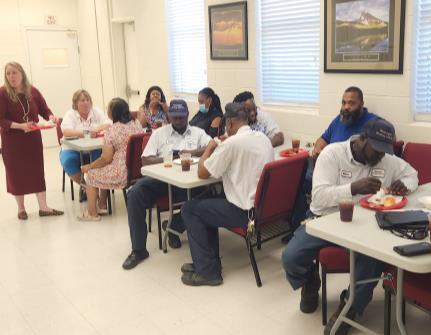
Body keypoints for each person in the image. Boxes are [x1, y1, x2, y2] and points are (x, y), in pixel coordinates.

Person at [281, 118, 418, 335]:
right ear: (362, 139)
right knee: (291, 257)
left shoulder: (386, 159)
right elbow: (318, 196)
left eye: (385, 150)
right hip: (325, 219)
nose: (382, 155)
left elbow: (412, 174)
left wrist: (404, 185)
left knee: (373, 259)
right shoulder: (332, 154)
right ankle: (309, 280)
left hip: (365, 224)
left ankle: (351, 307)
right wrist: (353, 188)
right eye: (377, 149)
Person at [180, 102, 274, 286]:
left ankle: (208, 271)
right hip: (263, 210)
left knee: (190, 209)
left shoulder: (231, 143)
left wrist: (211, 146)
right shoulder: (263, 138)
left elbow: (202, 172)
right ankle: (207, 262)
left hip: (244, 214)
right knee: (206, 202)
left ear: (229, 123)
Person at [122, 99, 211, 270]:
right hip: (161, 180)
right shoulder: (159, 134)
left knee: (212, 192)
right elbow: (145, 160)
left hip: (192, 181)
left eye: (181, 117)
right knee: (134, 194)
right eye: (174, 117)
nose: (178, 121)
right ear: (169, 116)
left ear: (187, 115)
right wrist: (169, 158)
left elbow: (211, 146)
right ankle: (139, 250)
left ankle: (174, 225)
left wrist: (190, 153)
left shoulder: (198, 133)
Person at [0, 61, 63, 220]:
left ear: (22, 74)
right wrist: (20, 126)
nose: (11, 76)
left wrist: (51, 117)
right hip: (12, 141)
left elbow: (44, 109)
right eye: (8, 73)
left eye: (14, 72)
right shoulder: (2, 93)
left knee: (36, 172)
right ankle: (21, 209)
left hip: (32, 140)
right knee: (16, 174)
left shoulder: (32, 91)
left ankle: (43, 207)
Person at [79, 98, 142, 221]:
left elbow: (106, 159)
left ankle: (92, 213)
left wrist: (90, 166)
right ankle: (102, 205)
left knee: (91, 174)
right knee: (102, 169)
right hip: (137, 170)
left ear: (113, 112)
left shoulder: (112, 131)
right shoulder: (136, 124)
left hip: (121, 172)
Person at [60, 89, 112, 185]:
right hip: (72, 149)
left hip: (94, 148)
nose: (86, 103)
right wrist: (86, 132)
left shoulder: (96, 111)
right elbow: (66, 131)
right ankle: (85, 186)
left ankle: (96, 185)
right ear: (76, 103)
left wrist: (97, 129)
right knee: (68, 161)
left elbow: (109, 123)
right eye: (82, 100)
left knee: (103, 159)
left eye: (88, 100)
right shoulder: (70, 114)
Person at [312, 86, 377, 160]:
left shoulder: (373, 122)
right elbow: (323, 139)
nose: (346, 107)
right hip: (333, 165)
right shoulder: (339, 119)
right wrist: (318, 149)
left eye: (351, 103)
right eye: (344, 103)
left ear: (361, 104)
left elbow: (391, 138)